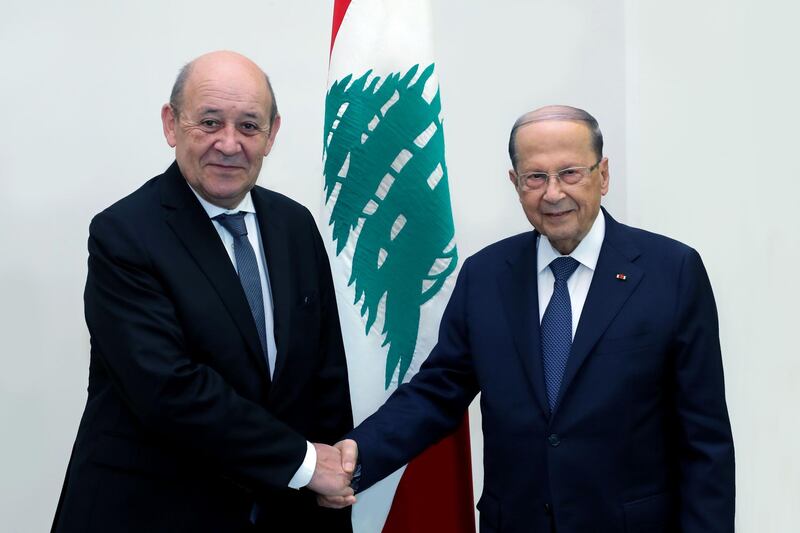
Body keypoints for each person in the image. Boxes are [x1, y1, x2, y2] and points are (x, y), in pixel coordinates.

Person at [321, 106, 735, 532]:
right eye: (535, 177)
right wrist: (357, 452)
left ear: (604, 175)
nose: (553, 193)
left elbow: (704, 440)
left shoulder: (673, 272)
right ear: (515, 183)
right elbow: (437, 391)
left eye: (570, 173)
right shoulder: (485, 275)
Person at [52, 51, 356, 532]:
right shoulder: (124, 234)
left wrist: (335, 468)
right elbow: (170, 391)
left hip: (286, 510)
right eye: (210, 122)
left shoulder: (295, 225)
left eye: (249, 126)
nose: (229, 144)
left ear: (273, 134)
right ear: (171, 125)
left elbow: (325, 375)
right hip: (156, 512)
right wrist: (303, 463)